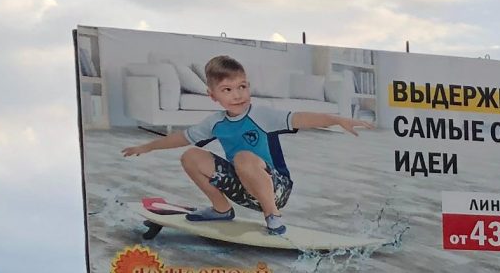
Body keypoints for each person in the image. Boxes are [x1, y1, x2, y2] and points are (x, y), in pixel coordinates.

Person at [122, 54, 369, 235]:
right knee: (191, 156)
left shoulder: (262, 114)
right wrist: (147, 147)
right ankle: (221, 209)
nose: (237, 94)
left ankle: (272, 215)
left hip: (275, 189)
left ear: (248, 86)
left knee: (243, 157)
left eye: (241, 87)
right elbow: (181, 137)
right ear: (213, 96)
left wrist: (337, 119)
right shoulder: (215, 122)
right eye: (227, 90)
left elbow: (302, 118)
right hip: (241, 185)